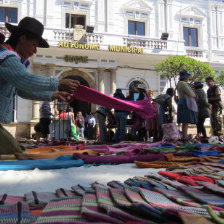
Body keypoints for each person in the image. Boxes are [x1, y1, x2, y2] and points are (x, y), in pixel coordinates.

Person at [0, 17, 79, 154]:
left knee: (17, 150)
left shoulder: (13, 58)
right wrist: (57, 84)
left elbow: (21, 89)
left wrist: (53, 95)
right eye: (34, 45)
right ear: (23, 39)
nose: (35, 51)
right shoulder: (6, 56)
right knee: (15, 152)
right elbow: (24, 80)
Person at [176, 70, 198, 142]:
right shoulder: (183, 83)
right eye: (187, 76)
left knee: (184, 121)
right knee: (185, 121)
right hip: (185, 103)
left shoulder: (180, 83)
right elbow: (190, 93)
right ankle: (184, 137)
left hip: (182, 102)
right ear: (185, 77)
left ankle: (184, 136)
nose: (188, 78)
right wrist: (195, 96)